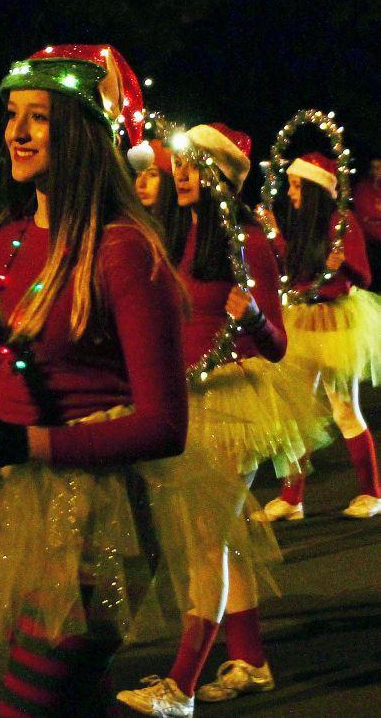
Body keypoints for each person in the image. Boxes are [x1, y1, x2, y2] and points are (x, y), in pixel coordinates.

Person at [0, 44, 195, 715]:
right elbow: (9, 393)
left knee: (33, 700)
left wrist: (28, 447)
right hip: (29, 504)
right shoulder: (3, 239)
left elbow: (164, 426)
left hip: (111, 511)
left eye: (38, 117)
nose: (15, 132)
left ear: (80, 132)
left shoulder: (123, 248)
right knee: (72, 702)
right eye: (11, 115)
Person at [116, 124, 320, 716]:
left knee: (206, 543)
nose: (179, 175)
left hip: (233, 406)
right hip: (187, 401)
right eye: (178, 165)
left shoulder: (246, 243)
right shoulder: (178, 236)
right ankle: (250, 660)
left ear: (222, 177)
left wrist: (253, 316)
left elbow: (277, 345)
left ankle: (179, 686)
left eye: (193, 166)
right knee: (223, 541)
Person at [262, 153, 381, 520]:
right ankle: (292, 499)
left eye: (297, 186)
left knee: (344, 409)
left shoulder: (342, 222)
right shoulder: (301, 223)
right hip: (304, 320)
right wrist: (275, 234)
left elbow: (364, 278)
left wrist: (341, 262)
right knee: (298, 413)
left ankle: (372, 494)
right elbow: (293, 271)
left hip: (336, 324)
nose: (290, 193)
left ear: (314, 189)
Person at [352, 157, 381, 290]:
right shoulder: (363, 189)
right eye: (374, 168)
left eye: (379, 168)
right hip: (370, 244)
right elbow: (365, 217)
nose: (376, 171)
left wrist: (374, 218)